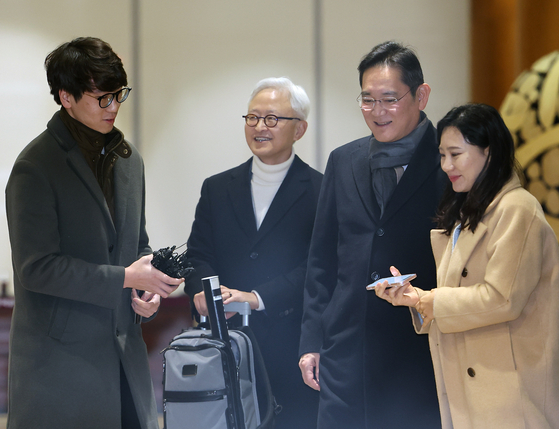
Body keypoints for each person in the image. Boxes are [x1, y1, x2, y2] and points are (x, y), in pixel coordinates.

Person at [5, 37, 184, 429]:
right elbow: (36, 268)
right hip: (59, 369)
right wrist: (124, 278)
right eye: (102, 97)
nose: (114, 107)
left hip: (125, 358)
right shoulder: (35, 167)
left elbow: (136, 246)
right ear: (66, 97)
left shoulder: (128, 159)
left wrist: (147, 290)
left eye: (119, 95)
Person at [374, 103, 559, 429]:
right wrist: (415, 297)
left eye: (455, 154)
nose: (446, 165)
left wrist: (430, 301)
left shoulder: (518, 209)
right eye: (442, 155)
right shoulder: (465, 211)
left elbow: (502, 298)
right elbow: (456, 296)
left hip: (509, 392)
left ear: (489, 152)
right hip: (466, 384)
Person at [298, 41, 445, 428]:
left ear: (421, 95)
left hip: (420, 352)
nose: (377, 112)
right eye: (367, 100)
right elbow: (321, 261)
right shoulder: (343, 161)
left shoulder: (449, 163)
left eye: (390, 99)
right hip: (346, 355)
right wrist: (311, 342)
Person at [184, 77, 322, 428]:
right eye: (252, 118)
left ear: (300, 129)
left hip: (293, 349)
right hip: (224, 348)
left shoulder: (322, 190)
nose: (260, 127)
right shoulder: (216, 188)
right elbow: (198, 254)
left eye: (272, 119)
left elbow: (320, 266)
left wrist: (257, 297)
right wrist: (203, 292)